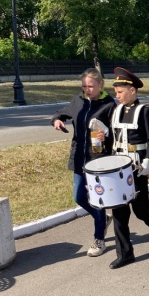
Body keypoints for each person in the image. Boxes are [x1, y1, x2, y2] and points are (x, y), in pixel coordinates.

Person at [51, 68, 116, 257]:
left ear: (100, 84)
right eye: (84, 86)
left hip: (99, 159)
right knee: (78, 197)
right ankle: (103, 218)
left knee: (97, 201)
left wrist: (107, 133)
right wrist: (57, 121)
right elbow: (60, 113)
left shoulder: (109, 104)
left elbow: (116, 131)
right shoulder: (78, 101)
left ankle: (99, 239)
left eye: (91, 86)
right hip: (79, 156)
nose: (87, 90)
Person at [107, 67, 149, 269]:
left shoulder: (144, 111)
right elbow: (113, 138)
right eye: (116, 91)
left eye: (120, 91)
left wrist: (148, 162)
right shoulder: (116, 111)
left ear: (132, 90)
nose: (117, 95)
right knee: (119, 211)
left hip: (136, 166)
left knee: (140, 209)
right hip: (117, 167)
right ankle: (125, 253)